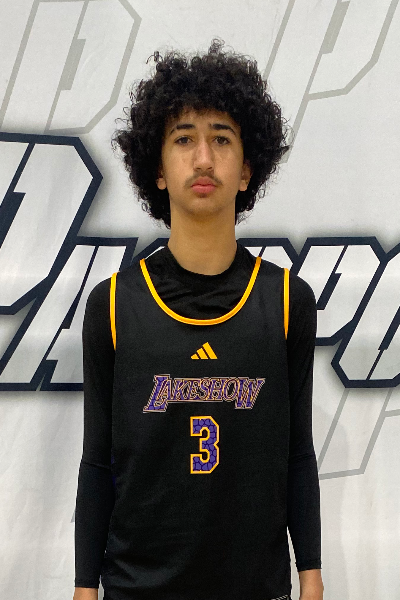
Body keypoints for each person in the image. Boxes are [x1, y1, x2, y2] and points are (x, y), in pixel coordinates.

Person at [73, 38, 323, 600]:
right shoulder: (111, 306)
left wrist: (311, 573)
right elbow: (97, 462)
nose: (203, 158)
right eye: (184, 139)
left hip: (255, 588)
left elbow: (298, 455)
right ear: (158, 170)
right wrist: (85, 586)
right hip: (137, 587)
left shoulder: (288, 302)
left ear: (247, 170)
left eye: (221, 139)